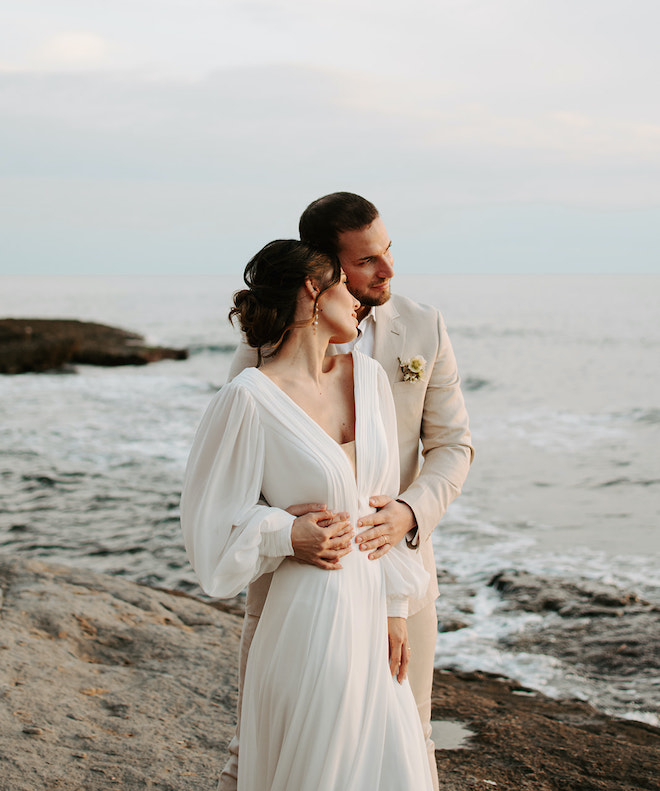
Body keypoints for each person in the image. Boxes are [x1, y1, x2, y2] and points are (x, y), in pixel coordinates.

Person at [222, 193, 474, 791]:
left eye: (388, 251)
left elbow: (452, 446)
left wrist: (409, 513)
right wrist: (288, 531)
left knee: (405, 739)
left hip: (395, 579)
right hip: (296, 588)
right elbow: (237, 468)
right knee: (266, 743)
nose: (387, 270)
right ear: (324, 268)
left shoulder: (422, 326)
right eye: (366, 261)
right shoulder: (261, 353)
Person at [181, 239, 433, 790]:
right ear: (313, 292)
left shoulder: (368, 380)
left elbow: (381, 503)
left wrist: (394, 608)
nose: (358, 299)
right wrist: (283, 532)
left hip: (374, 619)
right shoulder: (248, 398)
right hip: (310, 621)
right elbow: (209, 525)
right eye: (344, 284)